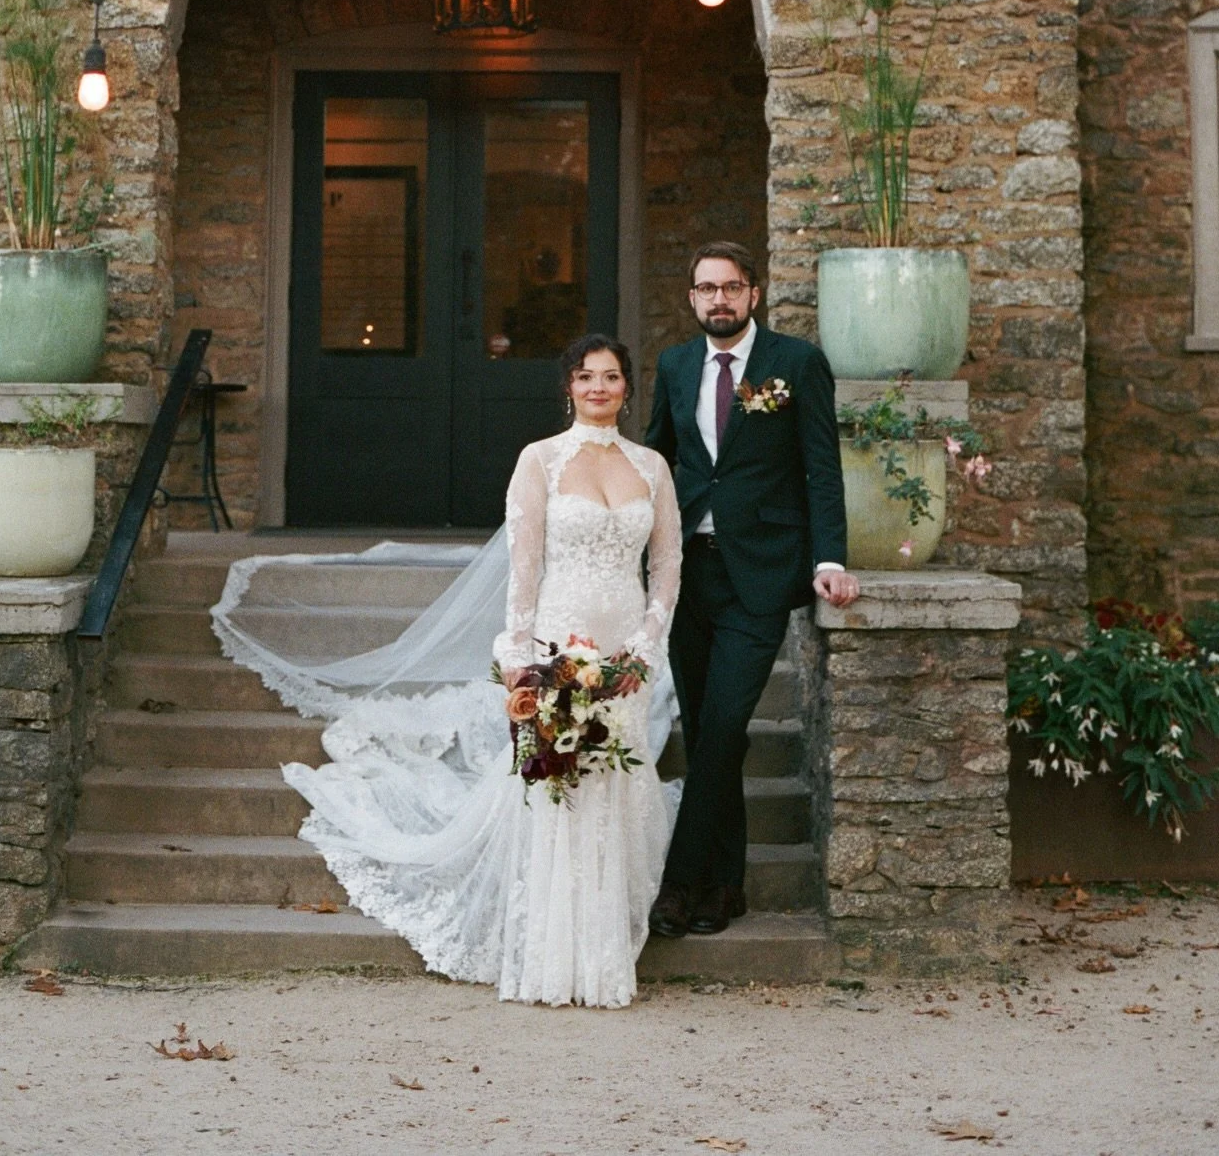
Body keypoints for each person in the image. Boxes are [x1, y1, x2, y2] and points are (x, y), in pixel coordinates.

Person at [238, 333, 682, 1009]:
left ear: (627, 386)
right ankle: (550, 958)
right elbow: (523, 568)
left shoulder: (651, 466)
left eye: (611, 376)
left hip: (625, 650)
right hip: (559, 642)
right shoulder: (540, 459)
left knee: (616, 781)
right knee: (557, 784)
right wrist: (521, 658)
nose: (599, 387)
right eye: (586, 375)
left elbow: (669, 563)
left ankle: (604, 954)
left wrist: (645, 647)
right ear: (568, 386)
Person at [645, 240, 858, 939]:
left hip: (760, 573)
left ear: (754, 294)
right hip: (686, 573)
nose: (719, 300)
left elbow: (822, 467)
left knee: (725, 724)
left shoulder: (797, 363)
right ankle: (723, 886)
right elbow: (656, 462)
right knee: (708, 731)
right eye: (707, 289)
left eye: (731, 287)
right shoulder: (676, 364)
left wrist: (829, 557)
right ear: (692, 297)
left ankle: (678, 885)